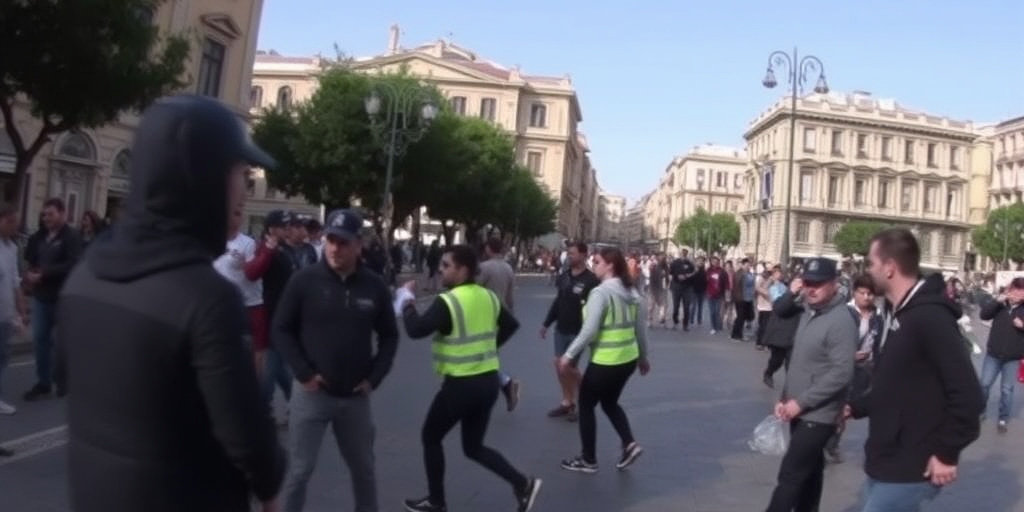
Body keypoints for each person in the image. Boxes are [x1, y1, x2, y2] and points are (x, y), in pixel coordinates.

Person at [57, 95, 285, 512]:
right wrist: (270, 488)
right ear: (205, 178)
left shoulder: (85, 274)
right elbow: (249, 439)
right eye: (240, 172)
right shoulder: (207, 299)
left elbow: (65, 375)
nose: (244, 188)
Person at [847, 228, 982, 511]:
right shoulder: (899, 313)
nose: (867, 271)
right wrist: (854, 407)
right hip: (888, 458)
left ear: (890, 268)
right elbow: (894, 385)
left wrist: (947, 452)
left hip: (912, 463)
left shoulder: (930, 317)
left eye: (871, 264)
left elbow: (969, 396)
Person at [274, 208, 399, 512]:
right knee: (299, 472)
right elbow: (281, 328)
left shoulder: (374, 286)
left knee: (364, 470)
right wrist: (303, 373)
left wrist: (374, 377)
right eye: (330, 240)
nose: (334, 248)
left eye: (342, 242)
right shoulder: (305, 281)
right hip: (311, 394)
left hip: (355, 398)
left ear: (358, 244)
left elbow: (390, 336)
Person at [400, 245, 541, 512]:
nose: (440, 271)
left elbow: (416, 330)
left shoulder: (449, 301)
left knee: (430, 436)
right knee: (473, 447)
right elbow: (512, 325)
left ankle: (437, 501)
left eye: (445, 266)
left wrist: (407, 301)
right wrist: (489, 347)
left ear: (462, 270)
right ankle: (522, 483)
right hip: (488, 384)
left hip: (461, 386)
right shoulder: (488, 297)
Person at [765, 257, 856, 512]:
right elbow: (781, 310)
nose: (811, 289)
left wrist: (801, 402)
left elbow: (842, 372)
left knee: (791, 475)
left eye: (818, 284)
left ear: (834, 284)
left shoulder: (840, 321)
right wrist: (785, 397)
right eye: (807, 283)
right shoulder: (809, 309)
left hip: (818, 413)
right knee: (811, 472)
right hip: (798, 407)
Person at [559, 247, 650, 474]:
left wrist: (568, 355)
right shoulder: (633, 293)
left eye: (597, 261)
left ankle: (588, 459)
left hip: (606, 360)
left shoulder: (601, 293)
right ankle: (630, 444)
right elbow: (641, 331)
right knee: (609, 402)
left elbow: (589, 331)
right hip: (627, 359)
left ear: (610, 265)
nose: (594, 265)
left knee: (587, 404)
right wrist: (643, 358)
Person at [23, 197, 82, 400]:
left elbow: (73, 264)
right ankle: (43, 382)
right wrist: (30, 275)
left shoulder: (71, 236)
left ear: (62, 213)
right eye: (44, 214)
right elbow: (32, 260)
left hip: (62, 298)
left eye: (51, 214)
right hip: (40, 297)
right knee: (40, 340)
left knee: (60, 342)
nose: (46, 218)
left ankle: (62, 379)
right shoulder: (39, 236)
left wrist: (45, 273)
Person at [540, 241, 600, 421]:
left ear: (583, 255)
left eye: (573, 253)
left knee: (568, 366)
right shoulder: (564, 276)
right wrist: (546, 323)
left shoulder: (591, 280)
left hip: (579, 331)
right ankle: (567, 402)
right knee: (559, 365)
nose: (569, 256)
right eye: (569, 253)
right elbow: (558, 301)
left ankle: (586, 399)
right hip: (561, 328)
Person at [478, 237, 521, 411]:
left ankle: (506, 383)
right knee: (486, 354)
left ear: (488, 248)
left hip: (483, 315)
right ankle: (502, 385)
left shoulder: (485, 267)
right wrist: (509, 316)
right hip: (500, 316)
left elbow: (474, 288)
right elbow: (510, 297)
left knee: (481, 355)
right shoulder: (508, 268)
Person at [977, 277, 1024, 434]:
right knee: (984, 384)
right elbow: (983, 315)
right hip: (993, 354)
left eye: (1021, 290)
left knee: (1007, 389)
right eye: (1015, 289)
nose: (1018, 293)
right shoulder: (1000, 305)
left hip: (1013, 358)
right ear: (1009, 290)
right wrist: (997, 302)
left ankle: (1003, 418)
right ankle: (981, 411)